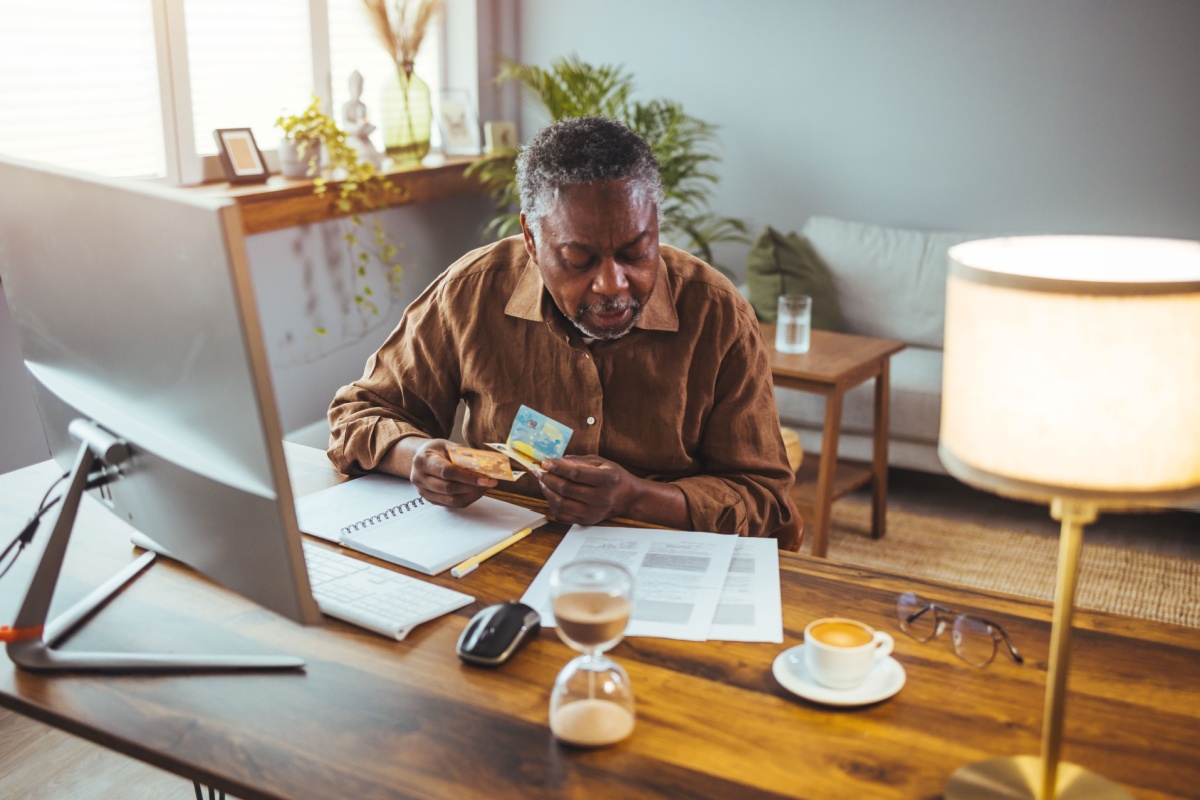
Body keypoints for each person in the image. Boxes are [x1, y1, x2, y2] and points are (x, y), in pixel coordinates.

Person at [327, 115, 800, 547]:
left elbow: (764, 495)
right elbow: (358, 415)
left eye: (637, 252)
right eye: (580, 259)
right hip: (503, 551)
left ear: (655, 226)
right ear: (531, 240)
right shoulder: (473, 291)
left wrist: (636, 498)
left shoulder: (717, 315)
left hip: (664, 557)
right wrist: (416, 458)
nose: (613, 284)